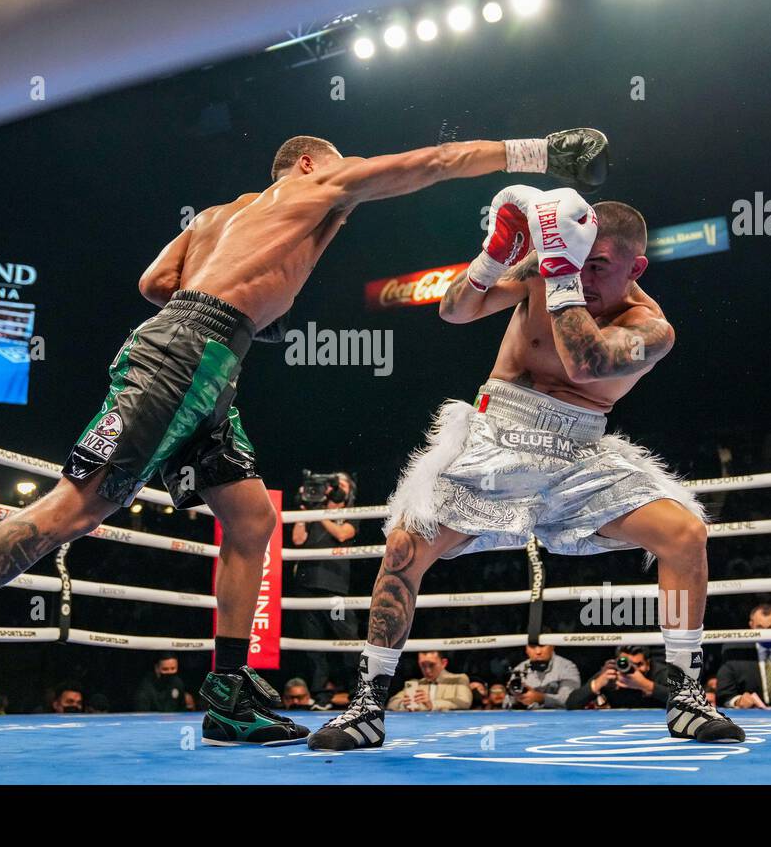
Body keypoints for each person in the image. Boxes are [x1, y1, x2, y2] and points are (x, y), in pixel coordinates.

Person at [0, 127, 608, 754]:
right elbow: (431, 163)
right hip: (189, 356)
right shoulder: (309, 186)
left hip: (205, 357)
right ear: (308, 164)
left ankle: (228, 694)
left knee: (251, 521)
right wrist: (538, 154)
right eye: (339, 170)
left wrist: (228, 280)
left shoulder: (215, 217)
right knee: (77, 508)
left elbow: (155, 282)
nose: (347, 191)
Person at [311, 185, 743, 749]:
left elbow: (587, 364)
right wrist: (497, 254)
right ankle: (366, 706)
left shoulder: (652, 330)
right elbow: (453, 310)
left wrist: (560, 271)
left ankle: (685, 696)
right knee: (402, 549)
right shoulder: (545, 267)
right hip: (497, 436)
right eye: (578, 261)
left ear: (636, 266)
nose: (583, 277)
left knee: (685, 533)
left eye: (600, 267)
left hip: (579, 453)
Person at [288, 470, 359, 695]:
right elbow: (297, 539)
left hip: (335, 588)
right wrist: (305, 510)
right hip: (306, 587)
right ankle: (319, 694)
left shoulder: (352, 513)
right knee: (313, 643)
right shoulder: (312, 510)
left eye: (341, 484)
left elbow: (341, 534)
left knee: (347, 639)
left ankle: (356, 691)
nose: (335, 488)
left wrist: (320, 514)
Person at [565, 646, 669, 710]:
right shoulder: (612, 673)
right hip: (618, 724)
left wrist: (646, 685)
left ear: (648, 664)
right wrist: (598, 683)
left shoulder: (660, 673)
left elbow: (683, 700)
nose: (633, 669)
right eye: (627, 664)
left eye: (638, 664)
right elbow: (571, 704)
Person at [503, 642, 579, 709]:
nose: (538, 652)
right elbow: (506, 704)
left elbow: (571, 700)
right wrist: (514, 695)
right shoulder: (520, 668)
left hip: (559, 719)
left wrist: (541, 698)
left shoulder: (567, 666)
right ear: (526, 649)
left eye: (542, 646)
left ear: (552, 646)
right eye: (532, 647)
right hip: (528, 718)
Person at [386, 651, 473, 711]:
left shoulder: (458, 679)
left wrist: (432, 704)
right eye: (423, 665)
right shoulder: (415, 683)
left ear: (444, 663)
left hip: (448, 726)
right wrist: (403, 704)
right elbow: (391, 703)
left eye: (432, 665)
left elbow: (465, 702)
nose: (427, 670)